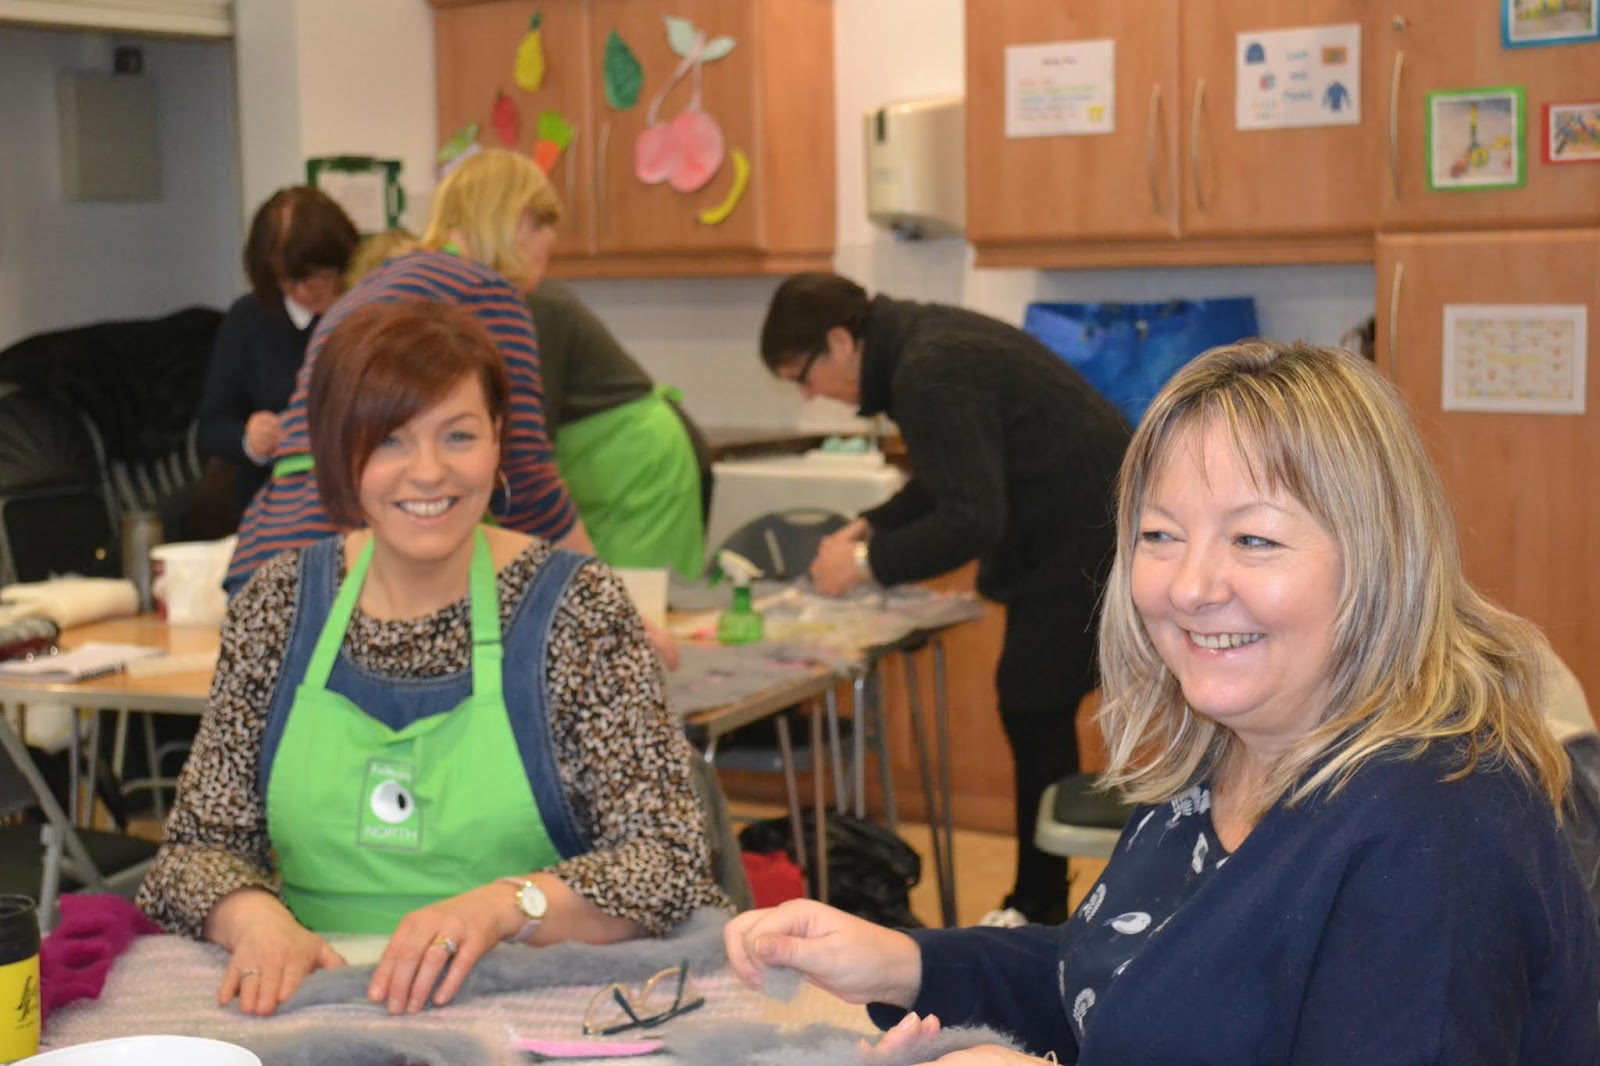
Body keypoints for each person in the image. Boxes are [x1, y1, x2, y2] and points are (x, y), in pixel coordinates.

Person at [725, 340, 1600, 1063]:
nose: (1188, 587)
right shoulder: (1226, 754)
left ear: (1380, 559)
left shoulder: (1436, 830)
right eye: (1159, 535)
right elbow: (1120, 979)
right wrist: (904, 962)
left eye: (1253, 538)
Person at [137, 299, 727, 1019]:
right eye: (389, 440)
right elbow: (196, 850)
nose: (428, 472)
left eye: (459, 435)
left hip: (535, 1005)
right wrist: (256, 920)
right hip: (316, 1000)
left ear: (499, 440)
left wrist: (505, 907)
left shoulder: (577, 610)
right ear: (336, 450)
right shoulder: (279, 605)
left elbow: (666, 859)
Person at [760, 272, 1132, 927]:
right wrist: (870, 526)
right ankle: (1042, 901)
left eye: (803, 376)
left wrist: (867, 565)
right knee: (1033, 707)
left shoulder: (927, 369)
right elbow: (948, 476)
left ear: (841, 342)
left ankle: (1038, 907)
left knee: (1033, 705)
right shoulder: (921, 346)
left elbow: (970, 518)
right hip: (1084, 529)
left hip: (1087, 536)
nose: (810, 394)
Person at [224, 148, 595, 593]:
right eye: (546, 247)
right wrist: (594, 591)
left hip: (268, 545)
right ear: (522, 221)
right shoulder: (486, 292)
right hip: (342, 548)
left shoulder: (379, 283)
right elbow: (525, 478)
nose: (541, 269)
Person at [346, 230, 711, 578]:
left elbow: (526, 471)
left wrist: (594, 596)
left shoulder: (509, 311)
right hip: (582, 477)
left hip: (637, 469)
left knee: (635, 599)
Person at [198, 187, 359, 512]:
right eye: (288, 281)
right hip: (276, 503)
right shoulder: (250, 318)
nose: (303, 291)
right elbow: (211, 428)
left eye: (316, 276)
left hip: (357, 496)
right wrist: (250, 439)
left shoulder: (367, 311)